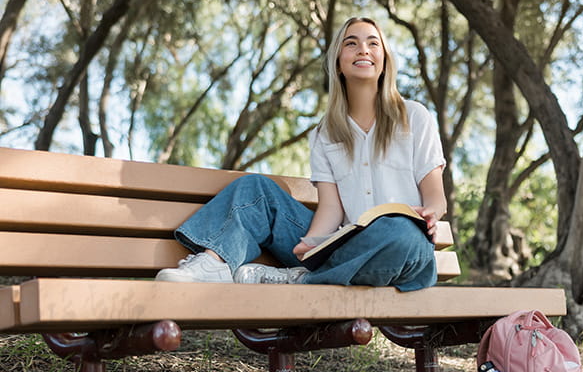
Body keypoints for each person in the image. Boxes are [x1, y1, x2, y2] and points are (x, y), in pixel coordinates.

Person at [155, 16, 447, 292]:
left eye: (373, 43)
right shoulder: (326, 133)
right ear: (338, 62)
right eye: (351, 43)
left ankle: (304, 281)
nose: (363, 49)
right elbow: (331, 208)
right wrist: (311, 242)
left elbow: (435, 196)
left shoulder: (414, 117)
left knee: (398, 231)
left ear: (384, 61)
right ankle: (215, 263)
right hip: (343, 245)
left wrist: (429, 214)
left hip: (404, 248)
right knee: (256, 189)